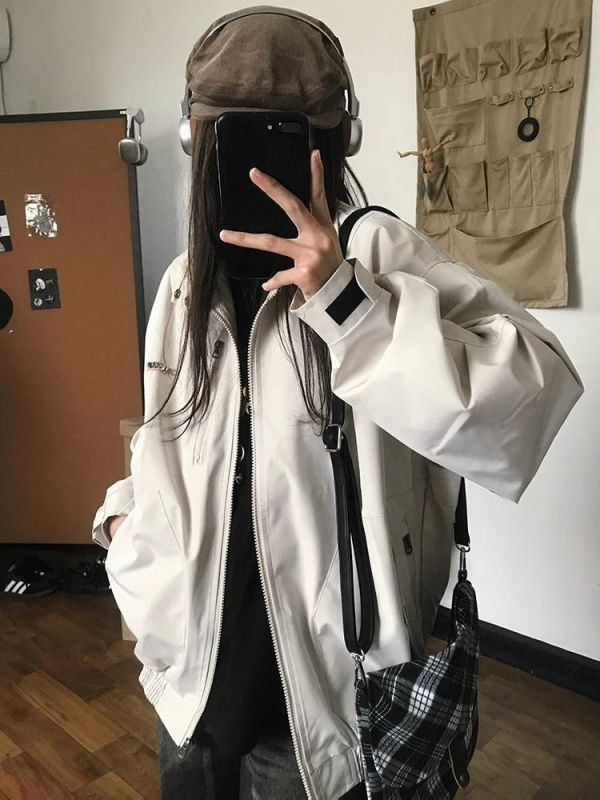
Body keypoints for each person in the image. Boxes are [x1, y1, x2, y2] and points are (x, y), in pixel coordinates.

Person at [92, 7, 583, 799]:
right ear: (199, 142)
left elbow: (533, 398)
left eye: (280, 139)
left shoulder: (379, 257)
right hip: (188, 686)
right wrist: (126, 531)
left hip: (329, 714)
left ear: (333, 143)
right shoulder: (185, 283)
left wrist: (348, 305)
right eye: (232, 139)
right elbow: (165, 440)